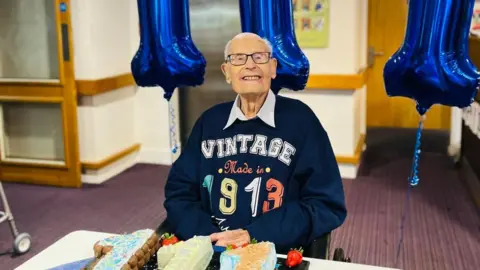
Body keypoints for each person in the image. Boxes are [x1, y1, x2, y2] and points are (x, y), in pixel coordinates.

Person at [163, 32, 346, 253]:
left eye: (259, 57)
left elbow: (324, 203)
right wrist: (209, 236)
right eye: (238, 58)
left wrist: (255, 235)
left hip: (277, 250)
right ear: (227, 72)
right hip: (212, 248)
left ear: (273, 67)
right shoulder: (209, 122)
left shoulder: (302, 121)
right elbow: (179, 192)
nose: (250, 65)